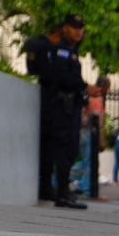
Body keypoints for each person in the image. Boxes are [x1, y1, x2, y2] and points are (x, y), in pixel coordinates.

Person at [24, 16, 93, 210]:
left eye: (81, 28)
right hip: (62, 108)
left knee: (61, 150)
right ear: (65, 28)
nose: (78, 31)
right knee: (65, 149)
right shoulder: (62, 50)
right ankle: (62, 193)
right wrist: (86, 87)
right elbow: (63, 78)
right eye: (74, 27)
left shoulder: (70, 50)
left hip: (66, 107)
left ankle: (53, 190)